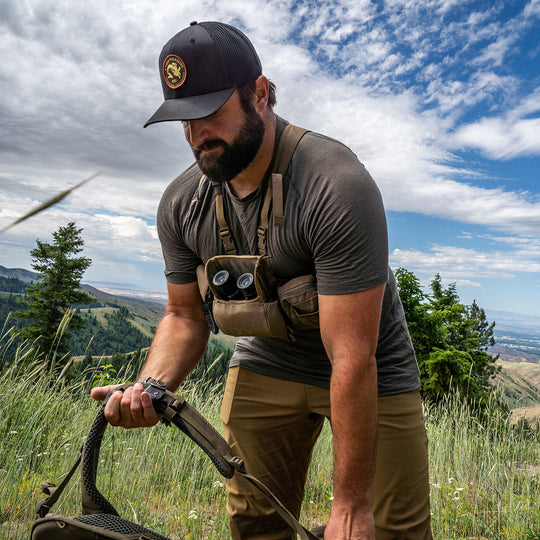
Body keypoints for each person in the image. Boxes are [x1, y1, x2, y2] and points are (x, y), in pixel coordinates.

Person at [91, 20, 432, 540]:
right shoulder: (182, 205)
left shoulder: (335, 184)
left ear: (261, 93)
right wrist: (151, 385)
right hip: (268, 359)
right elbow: (184, 316)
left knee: (389, 530)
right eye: (183, 119)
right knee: (256, 525)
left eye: (209, 110)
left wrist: (350, 505)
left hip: (369, 368)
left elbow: (352, 355)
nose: (196, 133)